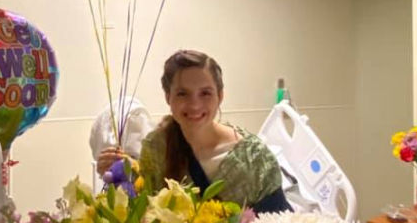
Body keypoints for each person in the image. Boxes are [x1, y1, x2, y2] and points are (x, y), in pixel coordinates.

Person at [97, 50, 291, 213]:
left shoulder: (254, 159)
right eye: (182, 94)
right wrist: (121, 175)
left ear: (220, 96)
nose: (195, 104)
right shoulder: (157, 148)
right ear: (168, 97)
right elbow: (145, 216)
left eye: (205, 93)